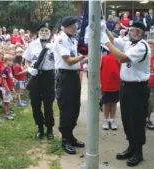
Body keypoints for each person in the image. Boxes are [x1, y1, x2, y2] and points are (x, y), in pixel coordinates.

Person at [103, 20, 151, 167]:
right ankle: (131, 147)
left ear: (140, 32)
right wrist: (104, 29)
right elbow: (113, 39)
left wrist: (106, 43)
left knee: (136, 121)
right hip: (125, 87)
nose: (129, 32)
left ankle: (138, 152)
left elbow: (122, 58)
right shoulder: (130, 43)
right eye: (129, 29)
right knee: (127, 120)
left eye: (132, 30)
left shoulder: (142, 46)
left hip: (138, 89)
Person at [53, 17, 87, 154]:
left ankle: (71, 136)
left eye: (75, 25)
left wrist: (89, 57)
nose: (75, 28)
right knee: (67, 108)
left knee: (75, 107)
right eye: (72, 26)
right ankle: (65, 140)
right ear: (65, 27)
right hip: (65, 76)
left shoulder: (72, 39)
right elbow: (69, 61)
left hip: (73, 76)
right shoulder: (61, 39)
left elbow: (77, 60)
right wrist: (84, 55)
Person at [23, 23, 55, 140]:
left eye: (46, 31)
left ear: (50, 32)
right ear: (38, 32)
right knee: (35, 104)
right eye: (42, 31)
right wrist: (30, 69)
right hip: (35, 77)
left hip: (49, 76)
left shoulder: (54, 45)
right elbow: (26, 61)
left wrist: (53, 49)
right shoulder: (32, 44)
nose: (44, 32)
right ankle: (40, 128)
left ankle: (50, 129)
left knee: (48, 104)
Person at [100, 53, 120, 130]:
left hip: (116, 84)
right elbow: (99, 69)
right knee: (106, 103)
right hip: (105, 84)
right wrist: (100, 82)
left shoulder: (119, 57)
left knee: (114, 103)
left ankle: (112, 119)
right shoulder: (103, 58)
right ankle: (105, 119)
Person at [0, 54, 15, 120]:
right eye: (10, 61)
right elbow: (4, 79)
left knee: (8, 101)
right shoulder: (4, 69)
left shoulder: (9, 68)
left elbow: (10, 76)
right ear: (6, 61)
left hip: (10, 86)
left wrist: (14, 79)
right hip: (5, 88)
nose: (12, 62)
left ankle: (8, 112)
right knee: (5, 101)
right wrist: (7, 88)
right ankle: (6, 114)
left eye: (12, 61)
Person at [147, 39, 154, 130]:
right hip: (141, 84)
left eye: (151, 45)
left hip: (152, 84)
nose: (149, 47)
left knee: (150, 103)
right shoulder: (143, 57)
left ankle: (148, 119)